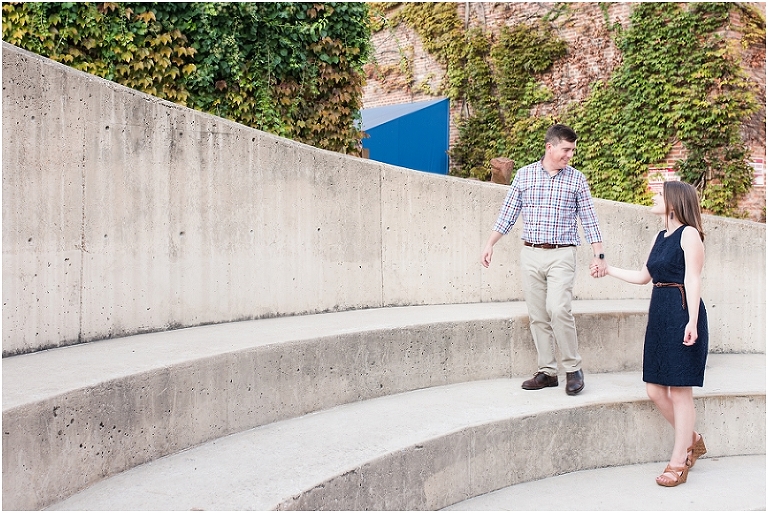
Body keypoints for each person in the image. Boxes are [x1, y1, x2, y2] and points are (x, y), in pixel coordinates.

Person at [592, 180, 708, 487]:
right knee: (655, 390)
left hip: (682, 312)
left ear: (673, 202)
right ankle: (692, 439)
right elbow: (644, 276)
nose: (654, 197)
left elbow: (694, 280)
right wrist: (609, 269)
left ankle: (678, 461)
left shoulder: (690, 234)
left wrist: (692, 321)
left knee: (680, 391)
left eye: (659, 194)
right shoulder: (660, 236)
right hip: (660, 314)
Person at [481, 124, 606, 395]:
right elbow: (508, 213)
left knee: (559, 309)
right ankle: (547, 372)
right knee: (538, 315)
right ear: (550, 147)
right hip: (530, 254)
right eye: (566, 149)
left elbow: (590, 221)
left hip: (562, 253)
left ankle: (573, 369)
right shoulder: (525, 176)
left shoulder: (576, 179)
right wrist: (490, 244)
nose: (570, 155)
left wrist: (600, 255)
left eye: (572, 150)